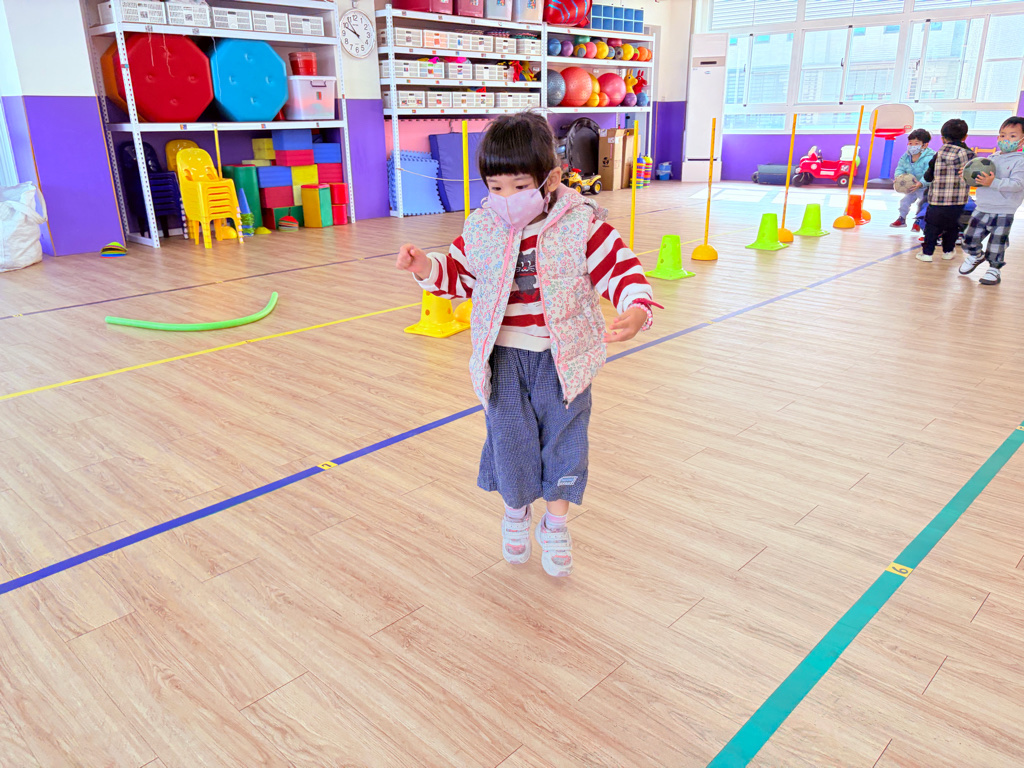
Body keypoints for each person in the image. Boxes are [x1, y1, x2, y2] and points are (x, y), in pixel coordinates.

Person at [395, 112, 659, 577]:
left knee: (565, 443)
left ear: (550, 179)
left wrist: (636, 307)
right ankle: (515, 513)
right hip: (503, 360)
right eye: (495, 188)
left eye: (519, 186)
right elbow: (459, 278)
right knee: (510, 441)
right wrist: (425, 267)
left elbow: (621, 268)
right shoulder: (482, 227)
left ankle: (555, 524)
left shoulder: (582, 225)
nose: (506, 198)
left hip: (564, 360)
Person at [958, 117, 1024, 285]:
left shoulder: (1021, 161)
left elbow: (1017, 185)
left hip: (1004, 209)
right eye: (1002, 135)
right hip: (982, 206)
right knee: (968, 238)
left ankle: (994, 269)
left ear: (1022, 140)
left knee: (997, 243)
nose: (1005, 139)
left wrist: (992, 182)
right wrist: (968, 174)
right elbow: (979, 177)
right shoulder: (991, 158)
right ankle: (976, 255)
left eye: (1012, 136)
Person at [919, 119, 975, 262]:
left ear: (943, 138)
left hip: (937, 199)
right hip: (958, 200)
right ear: (965, 137)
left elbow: (928, 176)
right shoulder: (969, 155)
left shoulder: (938, 154)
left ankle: (927, 254)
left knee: (932, 226)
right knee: (952, 226)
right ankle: (948, 251)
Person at [890, 128, 935, 230]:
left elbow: (929, 173)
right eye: (910, 143)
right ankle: (902, 218)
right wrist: (898, 177)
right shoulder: (906, 156)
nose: (912, 146)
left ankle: (919, 221)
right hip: (910, 186)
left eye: (916, 143)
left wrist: (921, 183)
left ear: (924, 145)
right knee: (904, 202)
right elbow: (900, 167)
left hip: (925, 187)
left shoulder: (930, 157)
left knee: (922, 204)